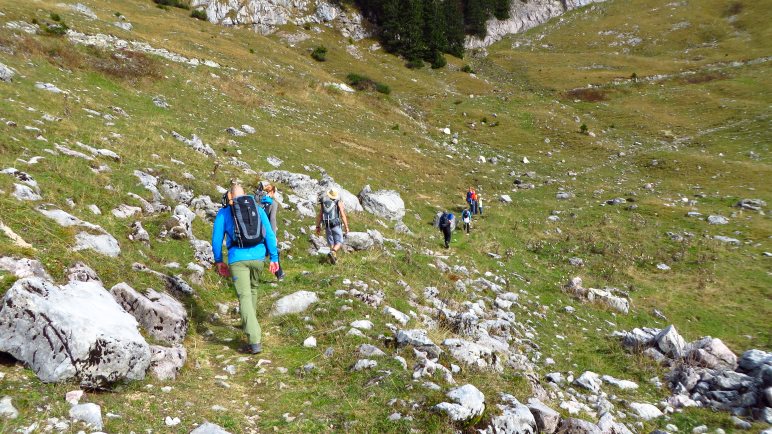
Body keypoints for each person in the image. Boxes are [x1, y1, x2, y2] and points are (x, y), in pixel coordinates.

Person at [212, 183, 279, 355]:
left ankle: (254, 339)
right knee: (253, 290)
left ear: (231, 197)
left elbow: (217, 238)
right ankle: (250, 324)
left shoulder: (224, 212)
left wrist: (219, 260)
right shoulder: (257, 208)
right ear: (245, 195)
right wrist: (274, 257)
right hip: (258, 257)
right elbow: (269, 233)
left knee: (244, 296)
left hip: (237, 259)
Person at [316, 188, 350, 264]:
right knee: (339, 241)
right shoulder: (338, 202)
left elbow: (320, 215)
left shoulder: (324, 203)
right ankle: (333, 252)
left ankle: (333, 259)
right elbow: (342, 215)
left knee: (331, 242)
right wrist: (346, 226)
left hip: (327, 225)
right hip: (336, 225)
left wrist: (318, 227)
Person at [259, 183, 285, 280]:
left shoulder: (258, 201)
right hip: (266, 232)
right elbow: (272, 219)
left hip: (255, 231)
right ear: (273, 192)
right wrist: (273, 236)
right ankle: (279, 275)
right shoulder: (273, 203)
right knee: (273, 252)